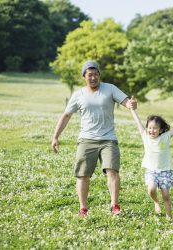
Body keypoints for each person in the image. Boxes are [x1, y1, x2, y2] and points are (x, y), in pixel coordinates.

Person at [51, 61, 137, 217]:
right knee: (82, 174)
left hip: (108, 139)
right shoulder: (78, 95)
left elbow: (126, 102)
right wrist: (55, 136)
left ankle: (115, 205)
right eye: (89, 75)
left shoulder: (110, 89)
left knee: (112, 171)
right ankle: (83, 208)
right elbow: (66, 115)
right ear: (84, 77)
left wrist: (131, 104)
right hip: (86, 140)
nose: (93, 78)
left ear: (99, 75)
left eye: (95, 74)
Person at [130, 104, 173, 220]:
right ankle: (156, 202)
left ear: (161, 130)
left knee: (166, 195)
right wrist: (133, 110)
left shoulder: (165, 137)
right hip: (151, 171)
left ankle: (169, 215)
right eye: (149, 127)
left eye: (155, 128)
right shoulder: (145, 136)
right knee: (151, 189)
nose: (151, 130)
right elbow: (137, 121)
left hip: (165, 171)